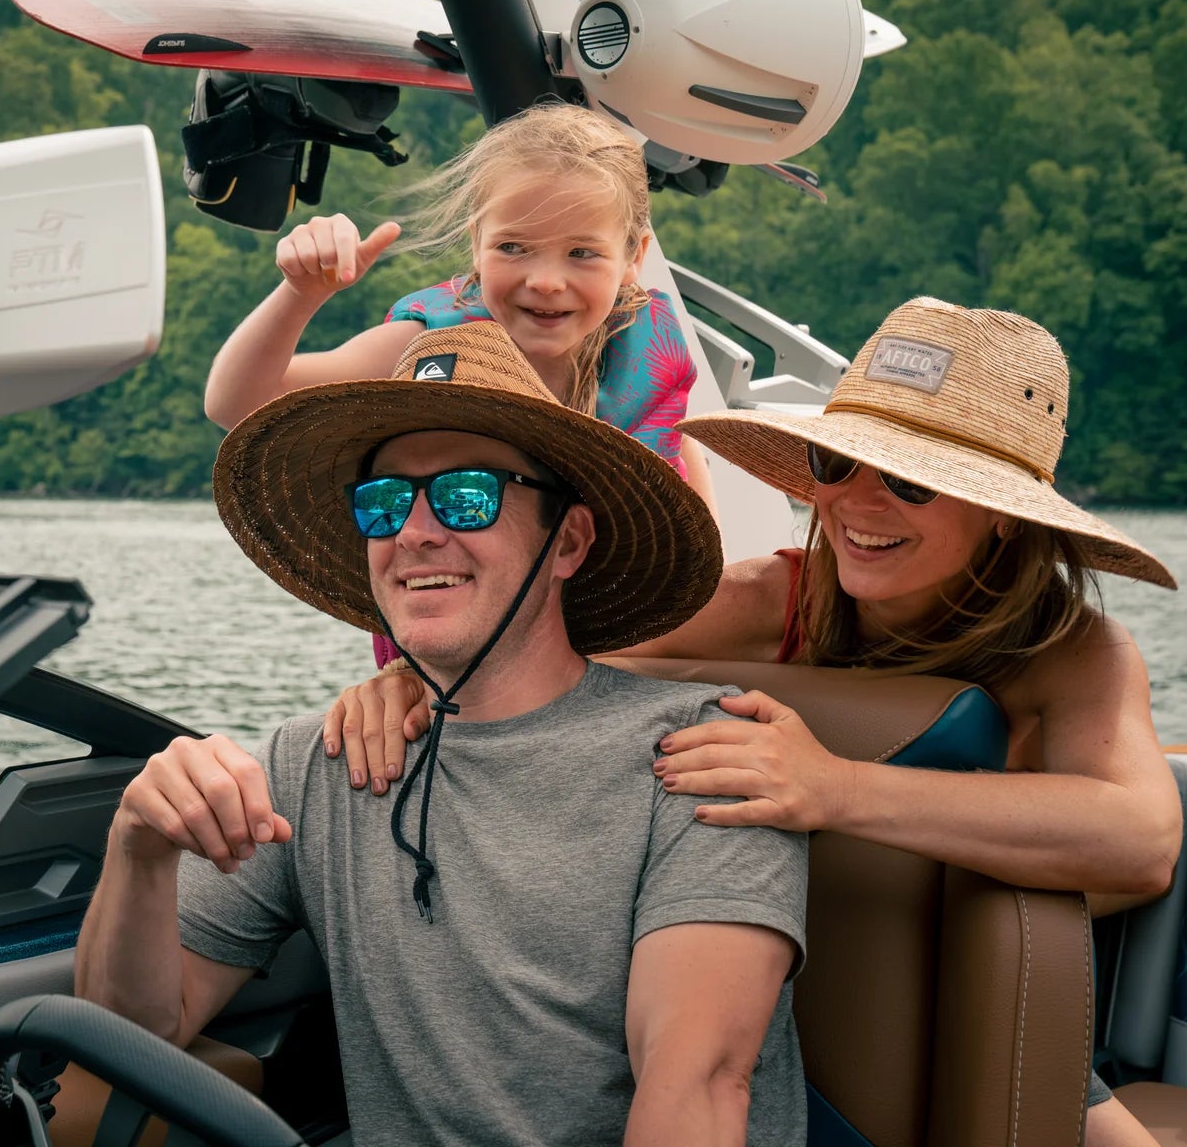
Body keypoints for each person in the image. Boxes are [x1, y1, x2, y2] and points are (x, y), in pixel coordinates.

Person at [320, 297, 1183, 1145]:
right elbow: (517, 638)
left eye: (912, 483)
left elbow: (1141, 840)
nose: (857, 505)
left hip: (1010, 979)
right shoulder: (779, 598)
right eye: (836, 464)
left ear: (1001, 511)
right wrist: (417, 687)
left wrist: (834, 788)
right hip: (766, 956)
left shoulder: (1071, 650)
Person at [76, 321, 810, 1144]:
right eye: (385, 503)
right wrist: (138, 849)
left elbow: (699, 1088)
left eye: (468, 495)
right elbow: (135, 1035)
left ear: (568, 540)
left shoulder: (705, 754)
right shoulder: (316, 762)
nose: (416, 532)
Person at [201, 101, 718, 512]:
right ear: (477, 244)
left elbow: (694, 550)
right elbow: (235, 404)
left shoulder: (648, 356)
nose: (543, 282)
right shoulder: (427, 346)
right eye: (512, 248)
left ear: (634, 257)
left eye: (582, 253)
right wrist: (300, 294)